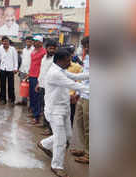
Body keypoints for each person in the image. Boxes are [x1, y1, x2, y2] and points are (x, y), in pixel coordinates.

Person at [37, 49, 89, 177]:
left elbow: (76, 77)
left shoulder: (60, 70)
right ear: (60, 60)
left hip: (63, 107)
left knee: (68, 136)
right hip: (55, 111)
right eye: (68, 60)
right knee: (61, 139)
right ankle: (57, 166)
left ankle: (44, 144)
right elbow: (75, 85)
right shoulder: (55, 73)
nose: (70, 62)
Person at [69, 36, 90, 164]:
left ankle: (90, 154)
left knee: (90, 127)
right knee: (80, 123)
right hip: (83, 95)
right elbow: (83, 78)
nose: (86, 48)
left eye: (88, 45)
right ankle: (84, 149)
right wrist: (77, 92)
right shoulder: (87, 58)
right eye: (85, 46)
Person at [35, 39, 58, 133]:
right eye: (50, 48)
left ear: (56, 49)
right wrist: (38, 83)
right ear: (47, 48)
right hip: (42, 85)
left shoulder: (56, 59)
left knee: (50, 108)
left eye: (53, 48)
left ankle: (50, 128)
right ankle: (44, 123)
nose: (51, 50)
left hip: (51, 87)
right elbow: (42, 71)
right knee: (43, 106)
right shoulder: (44, 58)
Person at [27, 35, 47, 124]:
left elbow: (44, 66)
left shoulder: (44, 52)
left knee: (37, 96)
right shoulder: (33, 50)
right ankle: (33, 111)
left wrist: (41, 78)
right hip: (31, 75)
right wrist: (29, 73)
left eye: (36, 41)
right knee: (31, 95)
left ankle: (37, 116)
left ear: (41, 42)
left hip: (38, 76)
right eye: (34, 41)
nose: (34, 43)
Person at [0, 36, 18, 105]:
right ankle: (3, 99)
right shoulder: (0, 49)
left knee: (11, 85)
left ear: (9, 42)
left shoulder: (13, 49)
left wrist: (15, 68)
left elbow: (15, 59)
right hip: (2, 69)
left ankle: (11, 99)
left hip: (11, 69)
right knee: (2, 85)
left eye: (7, 41)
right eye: (4, 41)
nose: (5, 42)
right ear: (2, 42)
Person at [18, 36, 34, 105]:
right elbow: (23, 60)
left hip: (30, 72)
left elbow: (33, 62)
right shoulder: (24, 50)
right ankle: (24, 101)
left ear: (32, 42)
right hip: (22, 71)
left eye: (30, 41)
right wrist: (20, 70)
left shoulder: (34, 50)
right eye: (27, 41)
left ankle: (31, 103)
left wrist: (30, 72)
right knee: (23, 86)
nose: (28, 43)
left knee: (31, 87)